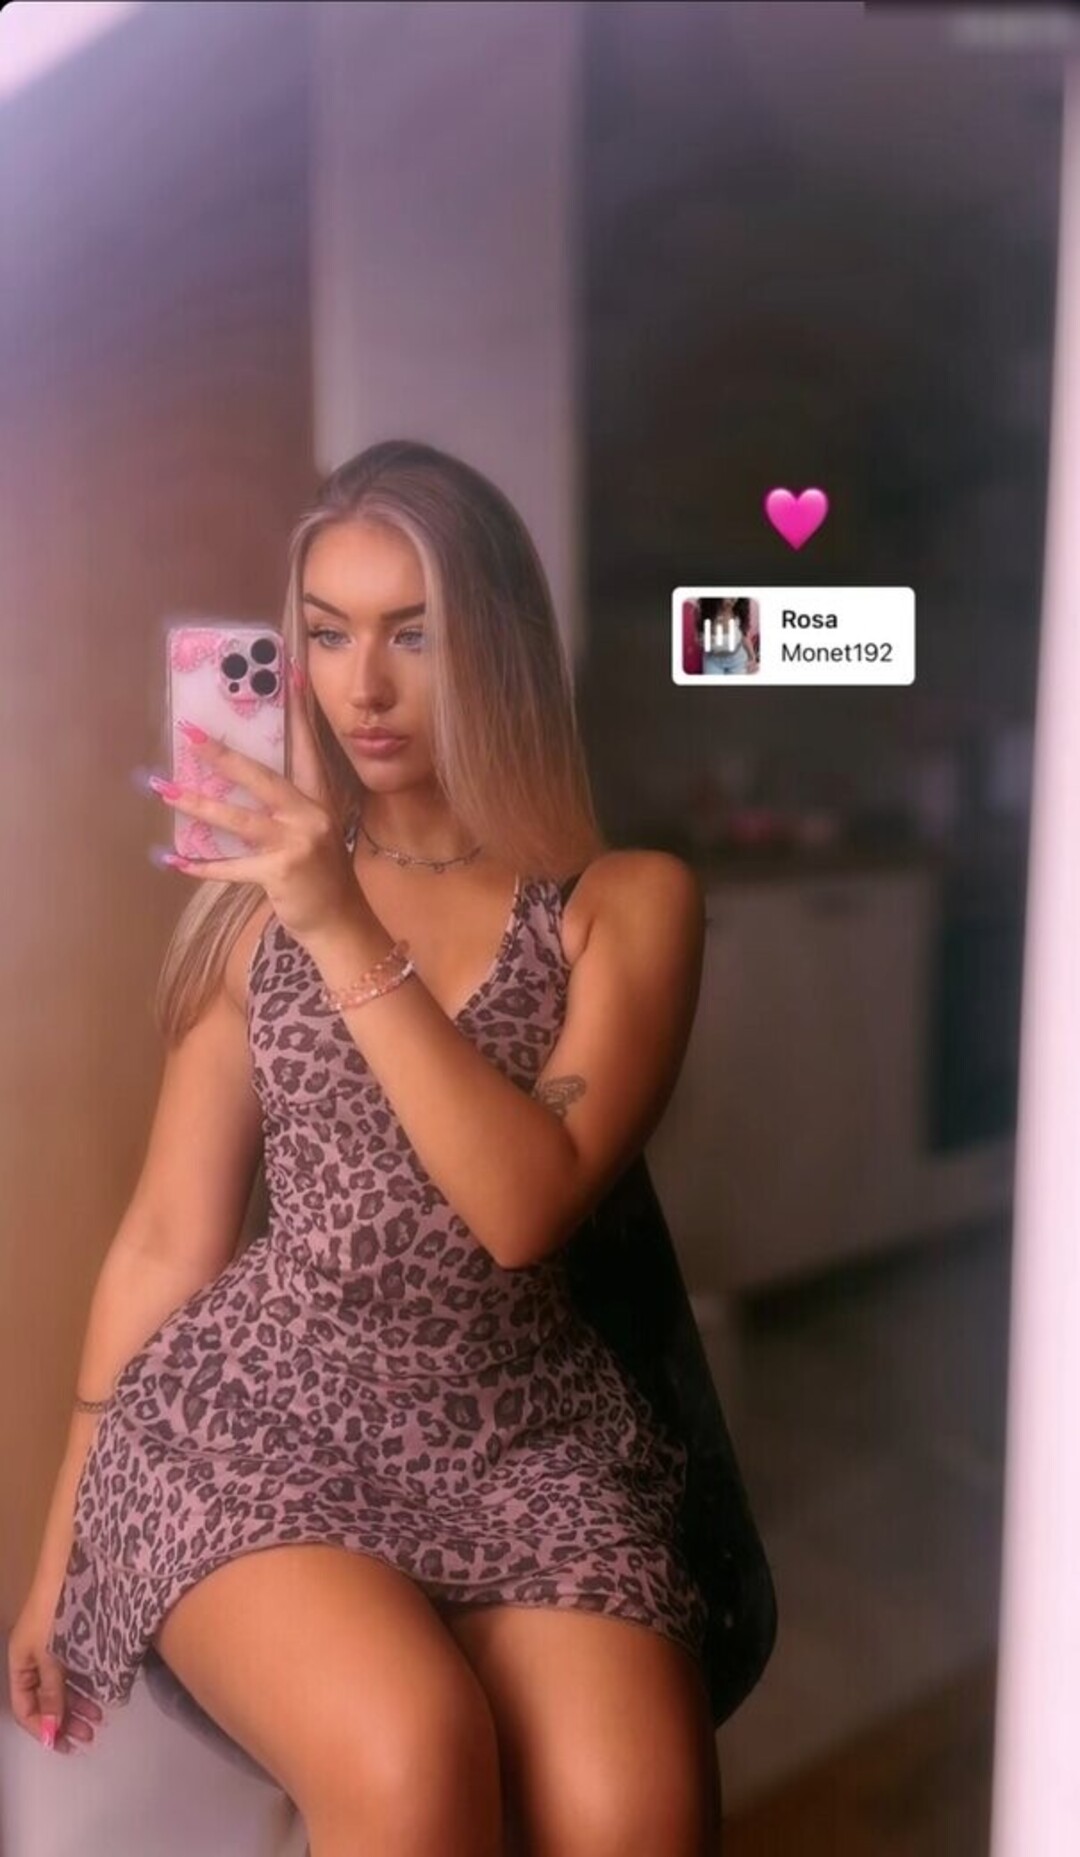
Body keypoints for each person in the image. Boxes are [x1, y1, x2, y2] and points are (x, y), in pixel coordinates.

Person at [9, 440, 724, 1856]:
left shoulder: (623, 904)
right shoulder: (256, 907)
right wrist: (56, 1558)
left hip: (523, 1437)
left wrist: (339, 921)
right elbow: (166, 1239)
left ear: (500, 645)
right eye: (327, 635)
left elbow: (523, 1207)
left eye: (415, 632)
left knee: (634, 1819)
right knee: (411, 1761)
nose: (364, 687)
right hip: (256, 1421)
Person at [703, 596, 756, 676]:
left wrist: (752, 657)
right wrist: (706, 638)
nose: (733, 600)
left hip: (737, 659)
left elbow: (744, 636)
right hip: (713, 660)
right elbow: (700, 639)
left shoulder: (738, 612)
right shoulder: (707, 613)